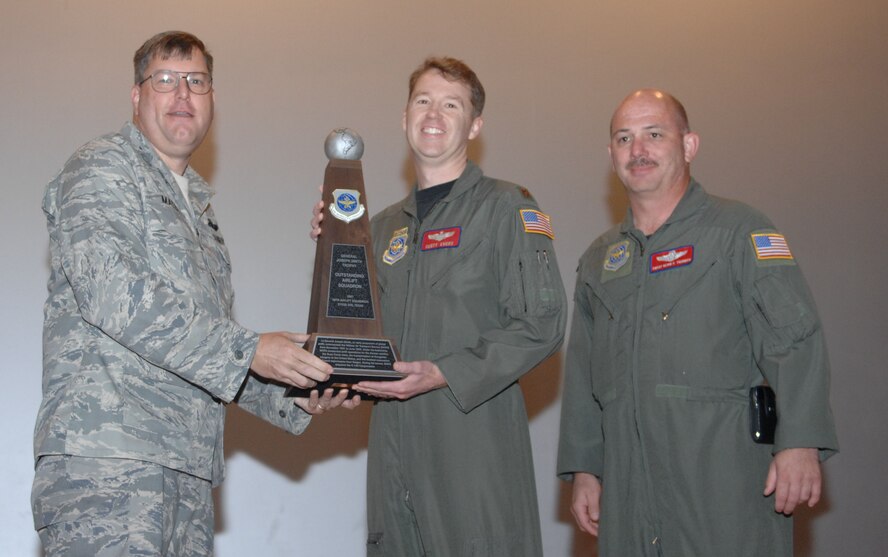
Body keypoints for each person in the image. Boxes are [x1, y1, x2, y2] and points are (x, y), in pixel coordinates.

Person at [32, 31, 358, 556]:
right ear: (137, 96)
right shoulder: (102, 167)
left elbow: (202, 355)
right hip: (108, 465)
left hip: (186, 471)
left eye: (197, 82)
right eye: (165, 80)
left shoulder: (200, 214)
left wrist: (298, 389)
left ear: (212, 100)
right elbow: (115, 291)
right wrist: (252, 349)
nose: (183, 95)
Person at [556, 89, 839, 556]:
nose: (638, 150)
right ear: (611, 157)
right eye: (624, 139)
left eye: (654, 134)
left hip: (721, 477)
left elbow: (795, 341)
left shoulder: (739, 231)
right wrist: (586, 469)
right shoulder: (600, 260)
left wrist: (801, 441)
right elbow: (584, 375)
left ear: (688, 146)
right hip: (629, 485)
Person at [313, 57, 566, 556]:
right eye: (423, 101)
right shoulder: (379, 227)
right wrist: (335, 246)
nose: (434, 113)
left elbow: (543, 324)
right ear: (404, 117)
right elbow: (364, 335)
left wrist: (444, 372)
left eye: (452, 104)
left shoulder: (508, 207)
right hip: (393, 444)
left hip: (471, 439)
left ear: (474, 125)